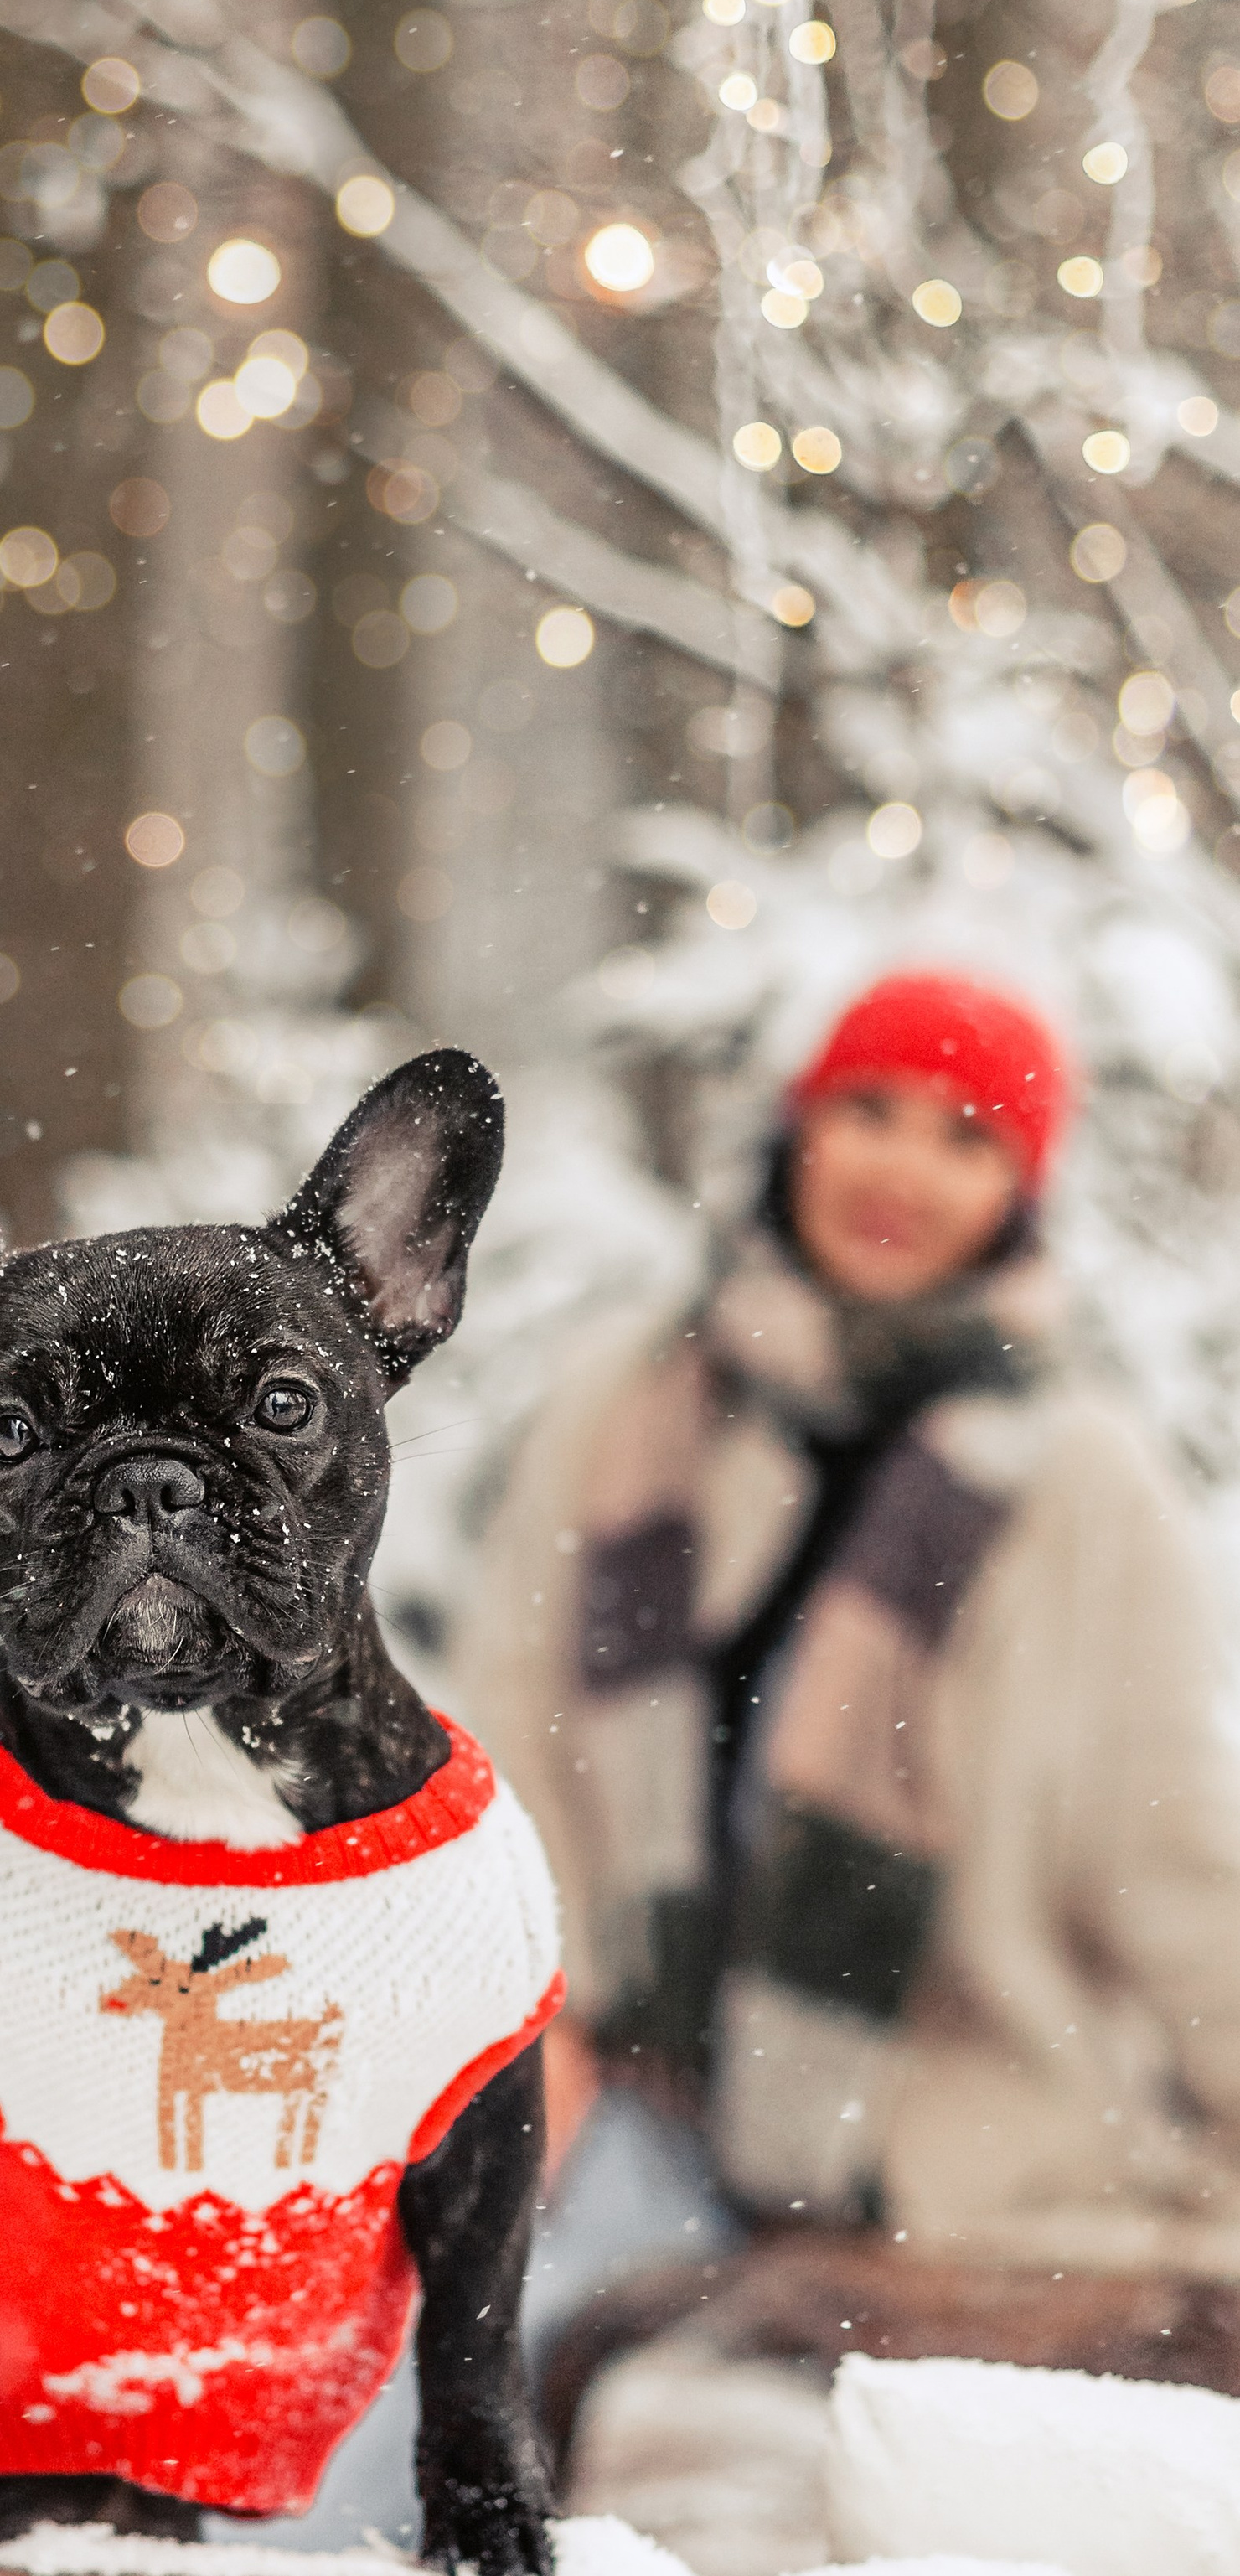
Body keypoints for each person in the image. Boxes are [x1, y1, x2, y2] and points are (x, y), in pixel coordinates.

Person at [472, 968, 1240, 2362]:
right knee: (423, 2401)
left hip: (938, 2151)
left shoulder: (1083, 1484)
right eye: (871, 1109)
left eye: (967, 1135)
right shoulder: (631, 1398)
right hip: (635, 2104)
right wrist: (540, 2023)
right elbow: (512, 1728)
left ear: (1019, 1188)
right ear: (799, 1130)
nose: (905, 1166)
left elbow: (1172, 1854)